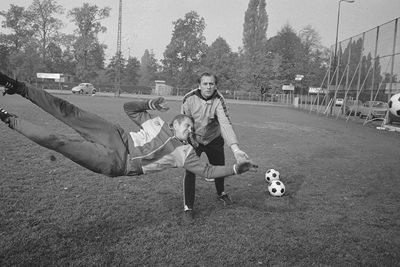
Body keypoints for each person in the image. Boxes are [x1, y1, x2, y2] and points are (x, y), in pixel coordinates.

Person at [0, 72, 257, 184]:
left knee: (58, 142)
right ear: (174, 124)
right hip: (115, 135)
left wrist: (236, 168)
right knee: (69, 111)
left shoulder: (184, 154)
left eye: (191, 129)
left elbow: (209, 171)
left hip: (118, 162)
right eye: (187, 125)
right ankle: (19, 87)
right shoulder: (156, 122)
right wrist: (149, 103)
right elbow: (130, 109)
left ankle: (8, 118)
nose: (190, 130)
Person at [181, 72, 249, 216]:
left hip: (214, 139)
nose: (208, 87)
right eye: (205, 83)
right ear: (199, 85)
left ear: (215, 85)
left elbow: (225, 123)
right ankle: (188, 207)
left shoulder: (219, 99)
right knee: (190, 171)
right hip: (194, 140)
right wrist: (186, 142)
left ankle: (221, 193)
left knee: (219, 168)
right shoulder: (188, 98)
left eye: (211, 84)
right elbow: (183, 123)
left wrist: (235, 149)